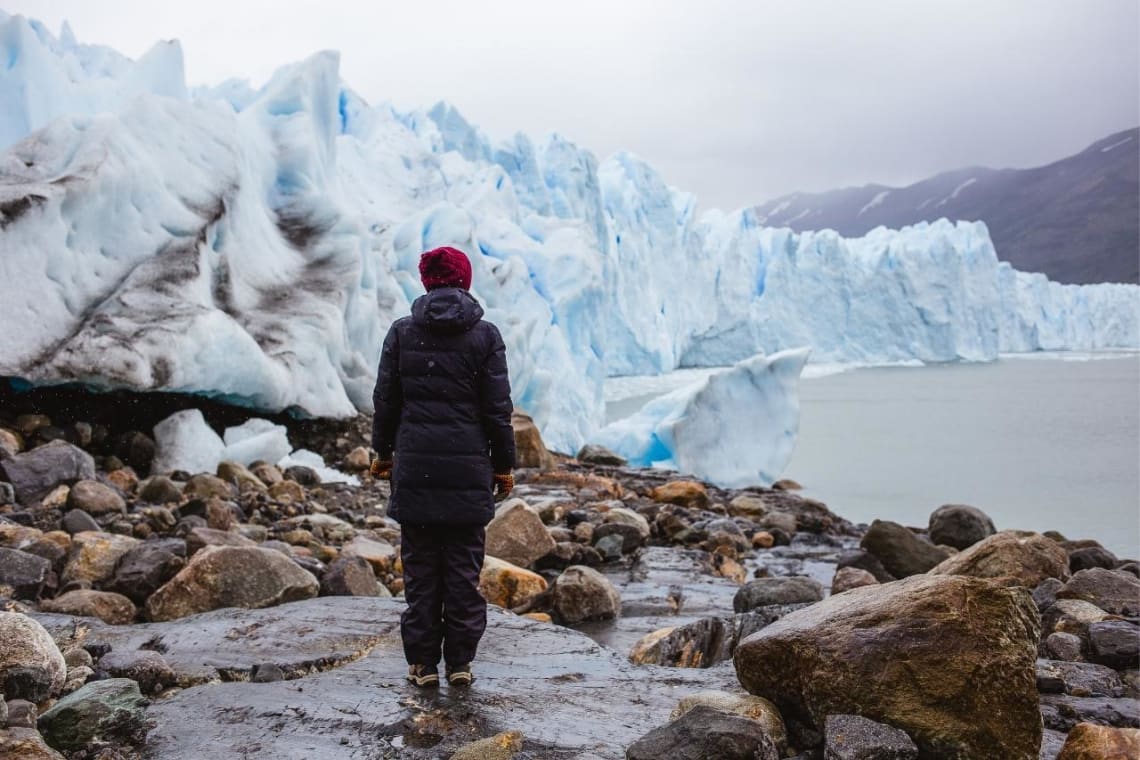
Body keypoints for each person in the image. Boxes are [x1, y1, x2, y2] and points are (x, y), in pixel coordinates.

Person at [370, 246, 516, 688]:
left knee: (420, 574)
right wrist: (504, 466)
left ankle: (421, 666)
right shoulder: (485, 336)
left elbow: (386, 402)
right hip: (468, 473)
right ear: (465, 280)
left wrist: (382, 453)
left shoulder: (401, 333)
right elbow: (498, 410)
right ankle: (460, 664)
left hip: (415, 472)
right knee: (462, 574)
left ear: (426, 282)